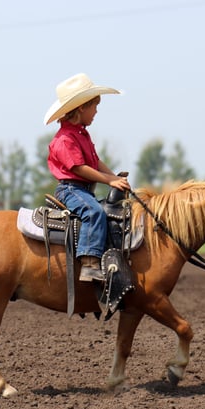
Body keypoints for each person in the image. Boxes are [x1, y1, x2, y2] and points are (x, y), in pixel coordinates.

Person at [44, 73, 130, 282]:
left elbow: (95, 162)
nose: (97, 111)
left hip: (81, 190)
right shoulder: (64, 139)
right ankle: (90, 263)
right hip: (70, 190)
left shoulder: (81, 134)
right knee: (93, 212)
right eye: (94, 106)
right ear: (82, 107)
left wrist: (113, 176)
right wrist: (109, 181)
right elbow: (80, 168)